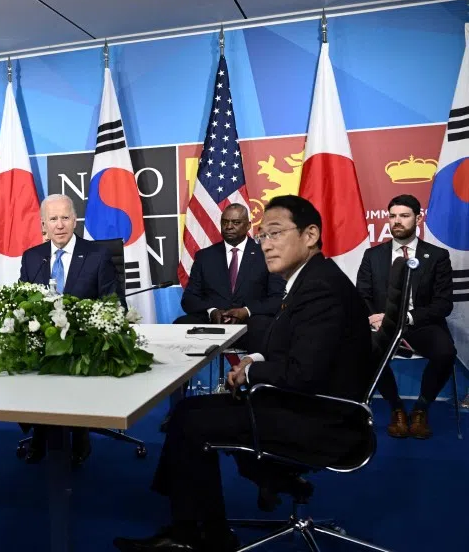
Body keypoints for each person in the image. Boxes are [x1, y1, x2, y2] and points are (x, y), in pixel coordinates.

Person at [114, 195, 373, 552]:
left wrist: (250, 373)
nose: (265, 244)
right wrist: (254, 360)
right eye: (263, 235)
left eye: (276, 233)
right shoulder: (311, 279)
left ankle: (201, 536)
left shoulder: (320, 288)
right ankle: (196, 526)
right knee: (188, 413)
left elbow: (303, 373)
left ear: (310, 235)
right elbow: (294, 348)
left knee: (189, 421)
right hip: (310, 403)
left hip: (322, 420)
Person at [18, 194, 119, 465]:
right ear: (44, 225)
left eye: (65, 218)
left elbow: (114, 303)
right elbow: (23, 302)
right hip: (44, 340)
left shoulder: (98, 255)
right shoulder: (32, 258)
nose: (59, 225)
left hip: (84, 340)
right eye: (53, 219)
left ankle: (79, 429)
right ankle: (40, 427)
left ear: (75, 220)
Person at [356, 194, 455, 439]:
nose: (397, 221)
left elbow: (443, 304)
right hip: (383, 324)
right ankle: (396, 407)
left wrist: (408, 317)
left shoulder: (437, 256)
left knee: (445, 353)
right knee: (365, 353)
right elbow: (362, 294)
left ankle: (421, 408)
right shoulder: (372, 255)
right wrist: (374, 316)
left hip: (420, 323)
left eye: (404, 216)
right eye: (392, 216)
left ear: (418, 219)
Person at [175, 203, 285, 356]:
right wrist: (212, 311)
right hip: (213, 324)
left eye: (236, 222)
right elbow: (189, 299)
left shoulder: (267, 254)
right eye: (225, 222)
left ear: (248, 226)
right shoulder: (205, 256)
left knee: (264, 326)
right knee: (181, 325)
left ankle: (253, 370)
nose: (229, 227)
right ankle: (183, 372)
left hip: (250, 324)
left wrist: (246, 311)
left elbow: (277, 298)